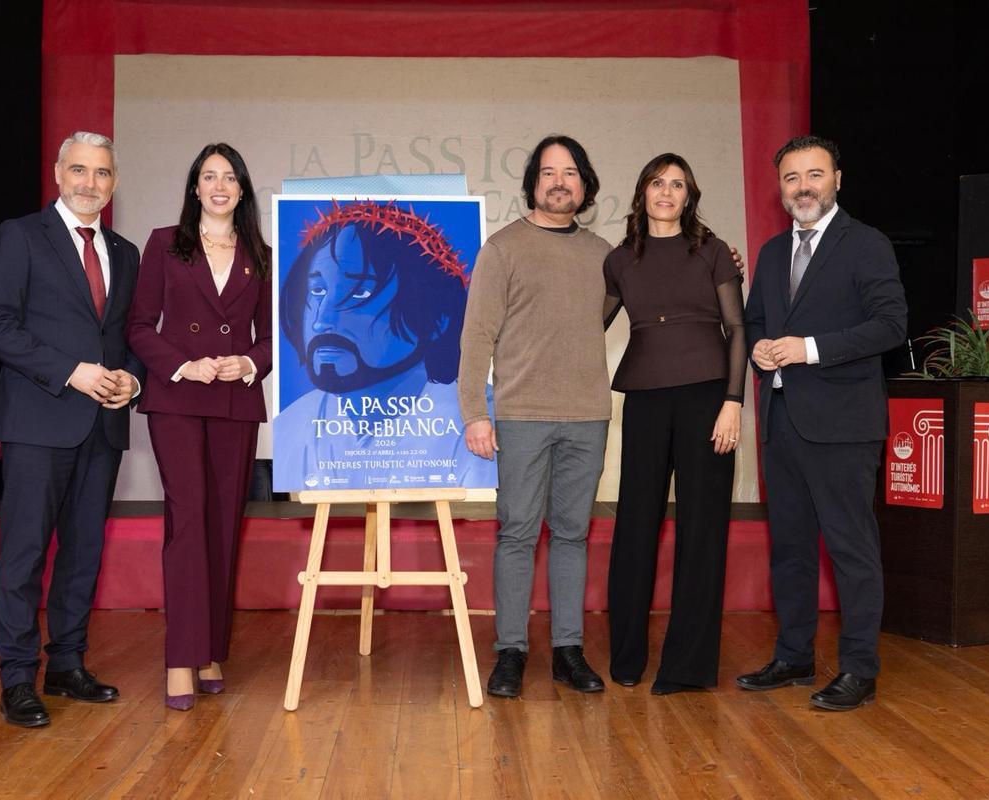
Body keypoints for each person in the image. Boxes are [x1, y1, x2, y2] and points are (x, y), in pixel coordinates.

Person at [0, 131, 143, 727]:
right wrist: (69, 372)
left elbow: (126, 338)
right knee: (23, 555)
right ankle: (18, 678)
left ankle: (67, 664)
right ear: (57, 173)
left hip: (104, 427)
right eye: (78, 170)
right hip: (37, 421)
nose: (89, 183)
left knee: (83, 554)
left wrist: (132, 381)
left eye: (101, 173)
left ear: (113, 182)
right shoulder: (21, 236)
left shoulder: (125, 252)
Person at [739, 135, 907, 710]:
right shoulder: (768, 253)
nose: (803, 187)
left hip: (843, 426)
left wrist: (806, 348)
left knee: (851, 550)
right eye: (791, 177)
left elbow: (891, 326)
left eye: (814, 174)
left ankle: (861, 668)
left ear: (838, 178)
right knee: (790, 549)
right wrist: (761, 348)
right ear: (780, 187)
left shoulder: (866, 245)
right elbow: (756, 320)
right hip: (781, 420)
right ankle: (793, 656)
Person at [458, 134, 614, 698]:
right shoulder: (502, 248)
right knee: (518, 534)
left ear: (585, 184)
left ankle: (569, 651)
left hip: (587, 415)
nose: (559, 181)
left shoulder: (603, 254)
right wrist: (476, 412)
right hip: (521, 416)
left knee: (572, 534)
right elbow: (477, 335)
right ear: (533, 183)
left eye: (570, 172)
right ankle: (510, 652)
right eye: (548, 172)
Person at [126, 142, 272, 710]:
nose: (219, 185)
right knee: (187, 523)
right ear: (194, 187)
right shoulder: (165, 243)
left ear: (241, 190)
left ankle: (211, 650)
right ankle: (181, 658)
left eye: (229, 177)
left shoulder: (260, 252)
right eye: (209, 176)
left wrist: (248, 363)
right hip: (178, 399)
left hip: (236, 401)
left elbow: (268, 339)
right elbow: (139, 326)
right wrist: (183, 364)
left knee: (222, 524)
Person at [604, 153, 746, 695]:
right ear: (642, 192)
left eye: (678, 184)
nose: (666, 192)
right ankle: (626, 659)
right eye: (657, 183)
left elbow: (736, 327)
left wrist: (732, 401)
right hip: (643, 398)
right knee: (635, 526)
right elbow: (584, 323)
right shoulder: (618, 260)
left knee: (702, 529)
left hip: (709, 398)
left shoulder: (712, 252)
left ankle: (687, 667)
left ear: (689, 196)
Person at [272, 200, 495, 490]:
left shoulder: (474, 422)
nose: (322, 321)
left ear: (438, 315)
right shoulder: (292, 427)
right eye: (317, 290)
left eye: (361, 291)